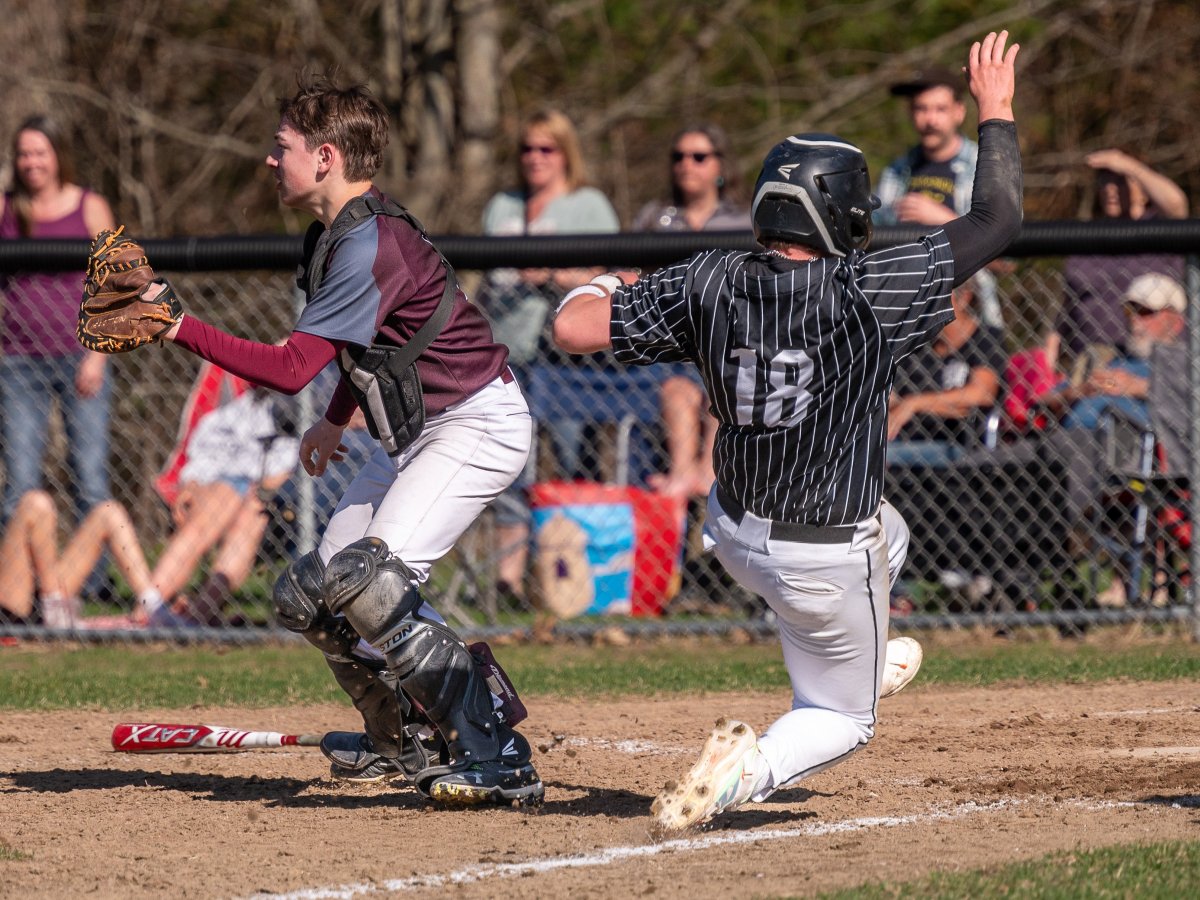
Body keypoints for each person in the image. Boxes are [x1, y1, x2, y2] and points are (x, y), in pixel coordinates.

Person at [553, 30, 1021, 830]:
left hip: (735, 529)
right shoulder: (868, 287)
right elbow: (999, 217)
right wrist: (996, 108)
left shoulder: (708, 278)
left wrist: (606, 280)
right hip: (822, 555)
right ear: (837, 211)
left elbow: (571, 328)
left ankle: (862, 656)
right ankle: (748, 769)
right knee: (843, 718)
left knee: (892, 530)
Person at [144, 74, 542, 807]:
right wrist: (334, 419)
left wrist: (177, 326)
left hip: (475, 422)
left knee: (369, 583)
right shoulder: (333, 238)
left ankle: (494, 750)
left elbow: (290, 367)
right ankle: (403, 739)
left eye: (283, 147)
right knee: (311, 595)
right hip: (417, 436)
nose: (271, 160)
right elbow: (368, 347)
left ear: (325, 157)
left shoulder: (366, 243)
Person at [477, 109, 620, 606]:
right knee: (509, 464)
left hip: (566, 359)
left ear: (565, 153)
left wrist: (552, 273)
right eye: (527, 148)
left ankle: (582, 579)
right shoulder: (501, 206)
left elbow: (608, 279)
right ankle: (510, 581)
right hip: (505, 353)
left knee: (573, 459)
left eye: (547, 148)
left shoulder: (588, 206)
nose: (535, 158)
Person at [0, 116, 116, 525]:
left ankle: (95, 567)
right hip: (17, 361)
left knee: (90, 479)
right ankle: (17, 566)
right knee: (20, 484)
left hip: (80, 357)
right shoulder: (6, 208)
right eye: (23, 154)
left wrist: (97, 356)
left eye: (40, 153)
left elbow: (116, 284)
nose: (31, 162)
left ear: (57, 155)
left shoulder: (90, 207)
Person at [634, 124, 751, 501]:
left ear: (720, 165)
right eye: (679, 157)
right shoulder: (655, 218)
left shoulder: (744, 221)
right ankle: (683, 475)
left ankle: (709, 473)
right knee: (678, 392)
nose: (687, 164)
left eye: (699, 157)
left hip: (728, 343)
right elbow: (628, 275)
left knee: (723, 387)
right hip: (667, 345)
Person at [142, 363, 300, 627]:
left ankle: (195, 617)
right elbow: (204, 450)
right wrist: (191, 483)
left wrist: (265, 487)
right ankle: (149, 607)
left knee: (250, 510)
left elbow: (293, 467)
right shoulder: (242, 408)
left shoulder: (308, 413)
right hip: (222, 488)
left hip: (271, 503)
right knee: (224, 496)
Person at [876, 66, 1006, 330]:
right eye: (921, 109)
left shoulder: (986, 165)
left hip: (970, 322)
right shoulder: (897, 171)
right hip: (904, 315)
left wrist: (945, 220)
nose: (930, 120)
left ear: (959, 112)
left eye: (940, 109)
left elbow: (1008, 259)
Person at [1055, 148, 1188, 362]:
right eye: (1105, 182)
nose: (1110, 189)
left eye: (1120, 180)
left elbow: (1176, 203)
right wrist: (1049, 353)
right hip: (1090, 359)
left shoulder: (1159, 227)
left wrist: (1127, 164)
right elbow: (1067, 307)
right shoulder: (1086, 237)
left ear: (1144, 191)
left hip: (1151, 358)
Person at [887, 274, 1008, 466]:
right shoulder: (919, 345)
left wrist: (914, 404)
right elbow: (894, 397)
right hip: (901, 438)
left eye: (935, 295)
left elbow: (981, 393)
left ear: (964, 298)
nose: (926, 303)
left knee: (880, 457)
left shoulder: (985, 339)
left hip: (955, 444)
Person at [0, 489, 158, 628]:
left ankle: (153, 605)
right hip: (12, 606)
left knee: (109, 512)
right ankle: (54, 606)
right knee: (36, 504)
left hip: (45, 598)